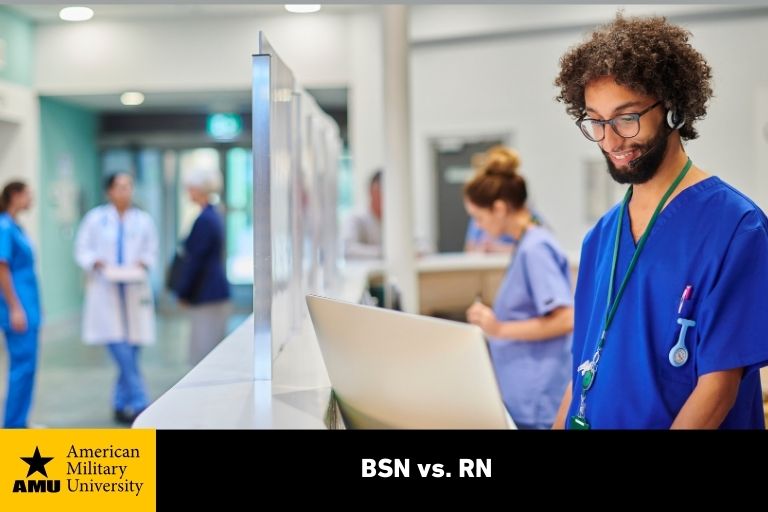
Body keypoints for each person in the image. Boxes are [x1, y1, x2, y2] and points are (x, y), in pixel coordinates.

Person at [552, 14, 768, 429]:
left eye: (626, 118)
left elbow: (717, 390)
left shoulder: (736, 228)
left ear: (673, 109)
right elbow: (582, 369)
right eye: (595, 121)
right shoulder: (601, 237)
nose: (610, 140)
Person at [463, 146, 573, 429]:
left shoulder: (535, 249)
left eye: (480, 218)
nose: (479, 226)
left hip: (539, 401)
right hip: (525, 396)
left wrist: (498, 329)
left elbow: (565, 319)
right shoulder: (525, 244)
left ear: (499, 209)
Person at [74, 173, 158, 424]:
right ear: (109, 191)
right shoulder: (95, 219)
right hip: (106, 288)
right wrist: (95, 262)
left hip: (134, 289)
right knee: (121, 350)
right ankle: (141, 402)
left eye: (129, 186)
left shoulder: (143, 220)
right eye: (119, 187)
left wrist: (144, 261)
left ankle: (120, 404)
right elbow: (82, 249)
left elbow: (151, 250)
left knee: (132, 351)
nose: (125, 191)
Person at [173, 167, 231, 366]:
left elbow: (196, 260)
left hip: (206, 292)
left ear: (199, 190)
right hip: (212, 291)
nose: (188, 192)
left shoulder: (205, 219)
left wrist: (183, 292)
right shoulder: (213, 214)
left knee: (204, 352)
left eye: (190, 188)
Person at [0, 182, 41, 428]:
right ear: (15, 195)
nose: (31, 199)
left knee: (28, 366)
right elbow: (2, 268)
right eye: (28, 194)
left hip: (28, 304)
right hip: (18, 307)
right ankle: (13, 426)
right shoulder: (4, 226)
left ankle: (20, 422)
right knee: (22, 366)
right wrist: (15, 307)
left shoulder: (15, 226)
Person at [342, 169, 382, 259]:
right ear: (372, 191)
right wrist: (383, 252)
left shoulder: (392, 222)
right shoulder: (356, 217)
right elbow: (348, 250)